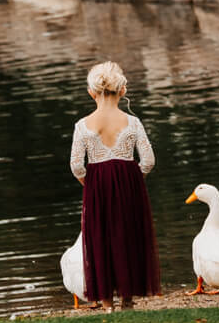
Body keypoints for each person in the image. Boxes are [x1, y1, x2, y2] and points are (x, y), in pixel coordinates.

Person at [68, 60, 161, 308]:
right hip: (129, 188)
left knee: (101, 239)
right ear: (122, 91)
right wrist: (132, 178)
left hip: (97, 188)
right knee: (128, 236)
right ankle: (127, 298)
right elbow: (149, 160)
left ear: (91, 93)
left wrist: (90, 184)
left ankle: (107, 303)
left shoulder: (82, 125)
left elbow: (76, 165)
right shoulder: (132, 123)